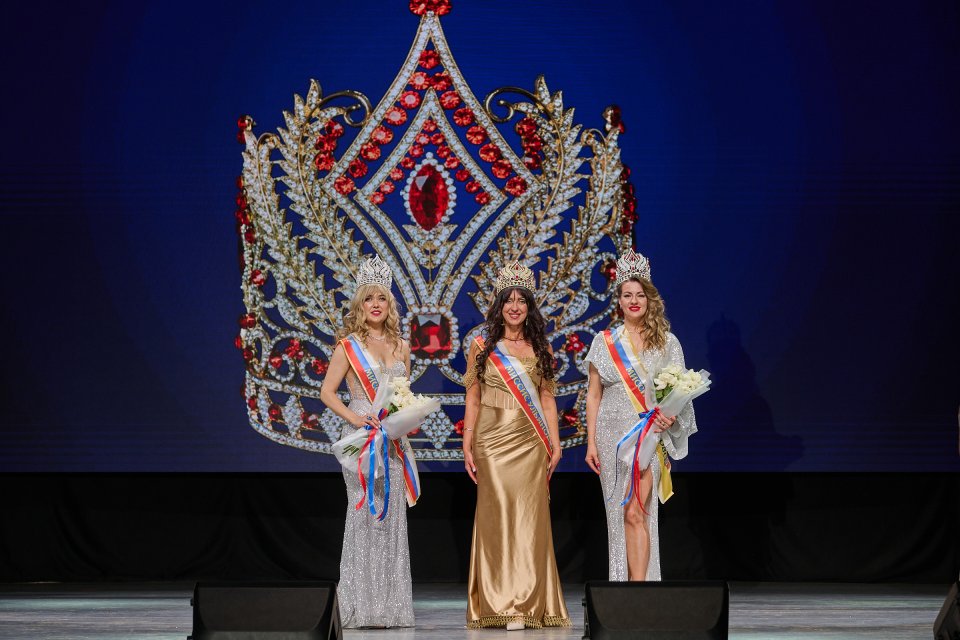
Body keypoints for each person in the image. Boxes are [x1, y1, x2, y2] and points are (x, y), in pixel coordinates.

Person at [462, 261, 570, 630]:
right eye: (508, 300)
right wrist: (467, 442)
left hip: (531, 439)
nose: (514, 306)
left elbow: (548, 399)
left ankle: (528, 602)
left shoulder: (541, 346)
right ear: (498, 305)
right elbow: (473, 398)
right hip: (491, 439)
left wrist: (555, 444)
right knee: (497, 516)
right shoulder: (481, 345)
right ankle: (498, 601)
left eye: (521, 300)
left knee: (529, 518)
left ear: (529, 306)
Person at [583, 249, 698, 581]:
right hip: (610, 436)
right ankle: (623, 589)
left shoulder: (667, 343)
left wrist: (670, 418)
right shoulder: (604, 342)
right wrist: (591, 442)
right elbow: (593, 394)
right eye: (627, 295)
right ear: (618, 301)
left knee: (637, 512)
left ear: (649, 299)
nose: (634, 301)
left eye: (640, 295)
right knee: (618, 514)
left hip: (647, 436)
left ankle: (638, 590)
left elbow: (680, 393)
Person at [320, 255, 415, 628]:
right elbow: (327, 392)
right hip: (361, 438)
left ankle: (389, 608)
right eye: (369, 298)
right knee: (364, 513)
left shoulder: (401, 346)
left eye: (382, 298)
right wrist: (354, 416)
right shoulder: (348, 346)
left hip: (391, 440)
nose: (376, 304)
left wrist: (405, 418)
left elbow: (403, 394)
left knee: (391, 516)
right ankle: (359, 606)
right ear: (360, 304)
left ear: (390, 304)